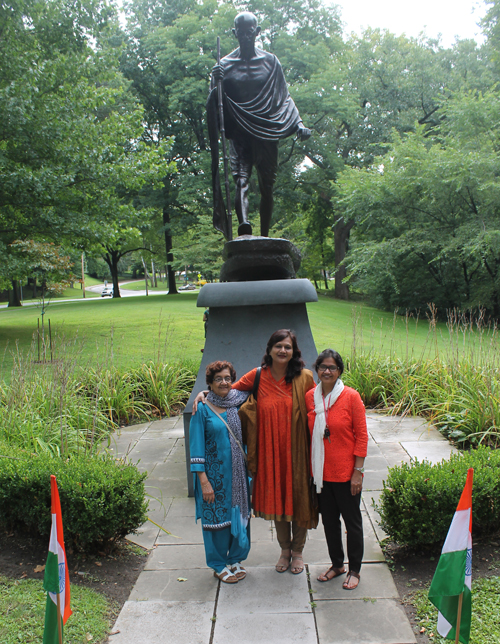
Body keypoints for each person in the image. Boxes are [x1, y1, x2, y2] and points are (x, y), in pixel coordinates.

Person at [193, 329, 318, 574]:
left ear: (294, 352)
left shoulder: (304, 378)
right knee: (278, 500)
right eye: (278, 346)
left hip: (299, 453)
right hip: (271, 453)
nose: (283, 350)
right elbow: (227, 392)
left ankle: (298, 552)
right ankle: (284, 550)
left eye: (288, 347)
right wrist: (205, 394)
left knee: (299, 499)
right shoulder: (258, 376)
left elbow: (317, 405)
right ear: (270, 349)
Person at [207, 12, 311, 238]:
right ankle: (244, 227)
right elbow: (215, 105)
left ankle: (264, 236)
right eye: (240, 32)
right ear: (234, 33)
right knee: (241, 179)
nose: (245, 36)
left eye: (249, 31)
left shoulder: (271, 63)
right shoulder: (223, 66)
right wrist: (214, 83)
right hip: (238, 132)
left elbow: (285, 98)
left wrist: (299, 124)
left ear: (257, 31)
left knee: (267, 186)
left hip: (266, 130)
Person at [305, 349, 368, 590]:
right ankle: (337, 564)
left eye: (332, 367)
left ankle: (355, 569)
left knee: (352, 523)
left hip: (346, 475)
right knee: (329, 522)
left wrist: (358, 472)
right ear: (317, 370)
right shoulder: (311, 396)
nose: (327, 371)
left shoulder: (351, 397)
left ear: (339, 371)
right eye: (323, 367)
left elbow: (362, 436)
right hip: (321, 475)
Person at [190, 360, 251, 584]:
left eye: (227, 378)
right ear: (210, 383)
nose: (224, 382)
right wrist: (203, 481)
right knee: (216, 522)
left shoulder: (238, 402)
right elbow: (195, 447)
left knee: (238, 516)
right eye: (218, 379)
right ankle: (218, 564)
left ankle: (235, 558)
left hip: (237, 476)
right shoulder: (202, 408)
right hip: (213, 477)